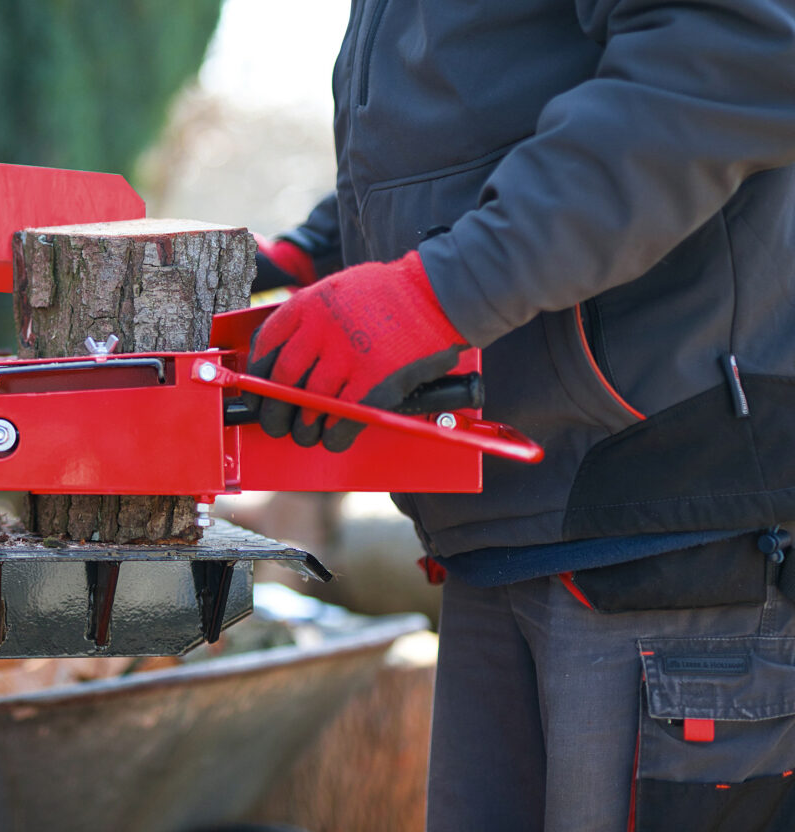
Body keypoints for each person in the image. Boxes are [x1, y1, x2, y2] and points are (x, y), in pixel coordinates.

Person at [244, 1, 795, 829]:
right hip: (511, 520)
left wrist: (439, 294)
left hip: (663, 515)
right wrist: (322, 247)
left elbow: (732, 53)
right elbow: (493, 99)